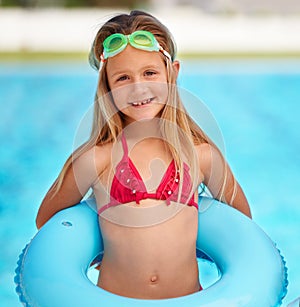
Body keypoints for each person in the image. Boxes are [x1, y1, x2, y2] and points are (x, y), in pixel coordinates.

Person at [36, 10, 251, 299]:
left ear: (172, 73)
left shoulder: (202, 157)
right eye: (123, 78)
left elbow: (243, 227)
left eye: (150, 73)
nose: (139, 88)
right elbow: (47, 223)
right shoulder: (96, 159)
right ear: (107, 87)